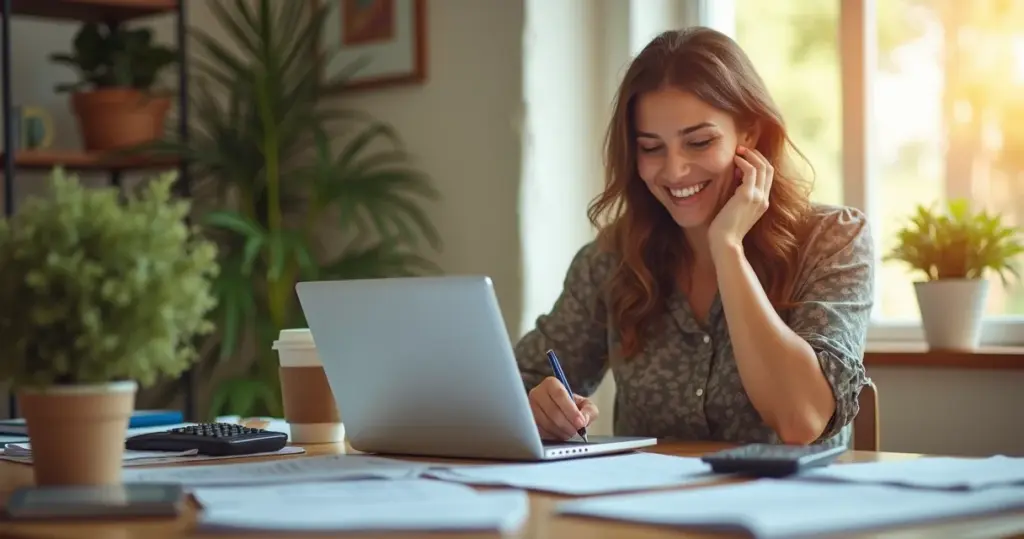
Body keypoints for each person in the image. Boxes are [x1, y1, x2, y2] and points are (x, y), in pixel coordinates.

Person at [514, 26, 873, 448]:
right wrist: (539, 408)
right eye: (651, 148)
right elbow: (513, 385)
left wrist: (728, 248)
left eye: (699, 142)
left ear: (749, 133)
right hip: (648, 493)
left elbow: (802, 419)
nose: (674, 171)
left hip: (791, 493)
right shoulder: (613, 258)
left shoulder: (832, 241)